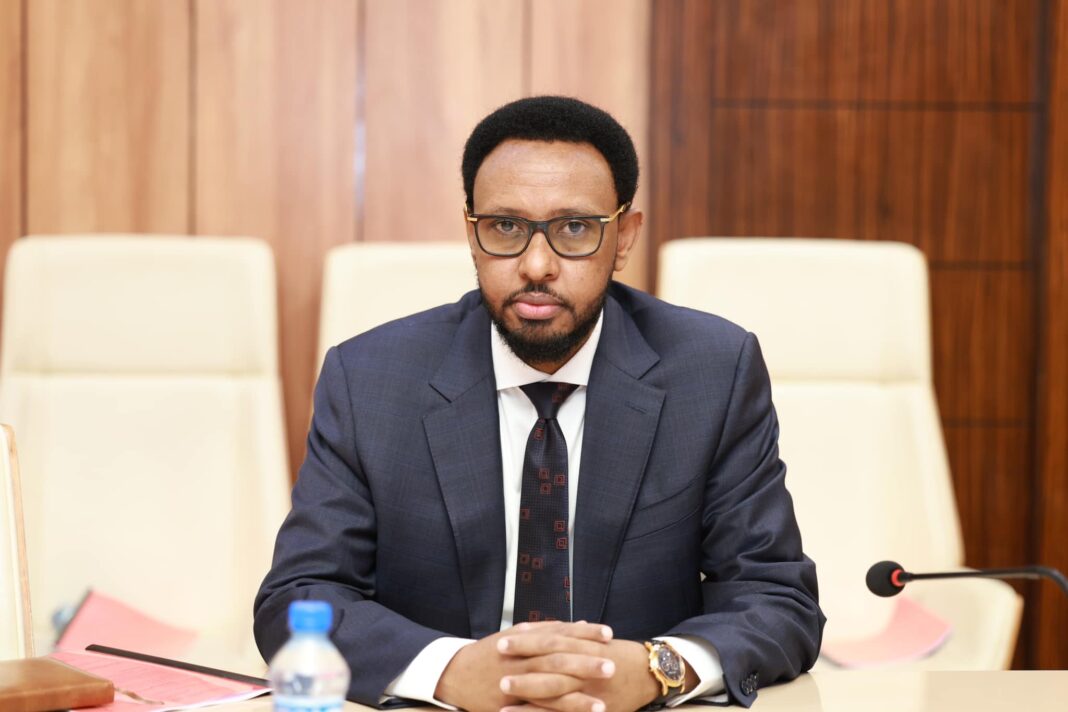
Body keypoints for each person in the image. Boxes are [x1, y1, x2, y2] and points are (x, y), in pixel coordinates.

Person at [254, 96, 823, 711]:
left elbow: (776, 598)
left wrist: (657, 669)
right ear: (471, 234)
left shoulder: (711, 373)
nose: (536, 265)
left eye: (574, 228)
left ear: (624, 237)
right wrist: (448, 671)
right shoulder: (370, 379)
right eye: (505, 227)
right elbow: (299, 597)